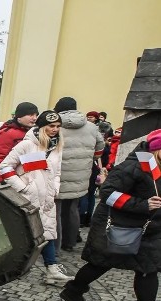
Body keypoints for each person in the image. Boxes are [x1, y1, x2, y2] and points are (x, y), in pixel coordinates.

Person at [59, 129, 161, 301]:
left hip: (149, 229)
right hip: (118, 224)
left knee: (147, 269)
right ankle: (73, 291)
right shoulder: (134, 166)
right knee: (101, 262)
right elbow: (107, 193)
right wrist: (142, 204)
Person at [0, 110, 72, 285]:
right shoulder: (27, 145)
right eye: (51, 126)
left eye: (58, 127)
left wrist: (55, 188)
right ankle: (6, 266)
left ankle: (51, 268)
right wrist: (23, 188)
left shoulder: (56, 147)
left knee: (47, 232)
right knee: (24, 233)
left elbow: (57, 171)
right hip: (29, 196)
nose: (55, 130)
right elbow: (5, 167)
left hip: (47, 197)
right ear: (41, 126)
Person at [54, 96, 105, 251]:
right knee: (72, 209)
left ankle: (54, 245)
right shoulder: (91, 126)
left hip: (57, 175)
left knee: (55, 211)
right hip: (80, 176)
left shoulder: (53, 125)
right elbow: (100, 149)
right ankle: (69, 243)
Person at [0, 102, 39, 182]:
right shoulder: (7, 134)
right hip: (10, 182)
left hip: (25, 182)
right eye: (31, 115)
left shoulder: (32, 133)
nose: (34, 118)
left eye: (36, 115)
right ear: (19, 117)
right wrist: (0, 183)